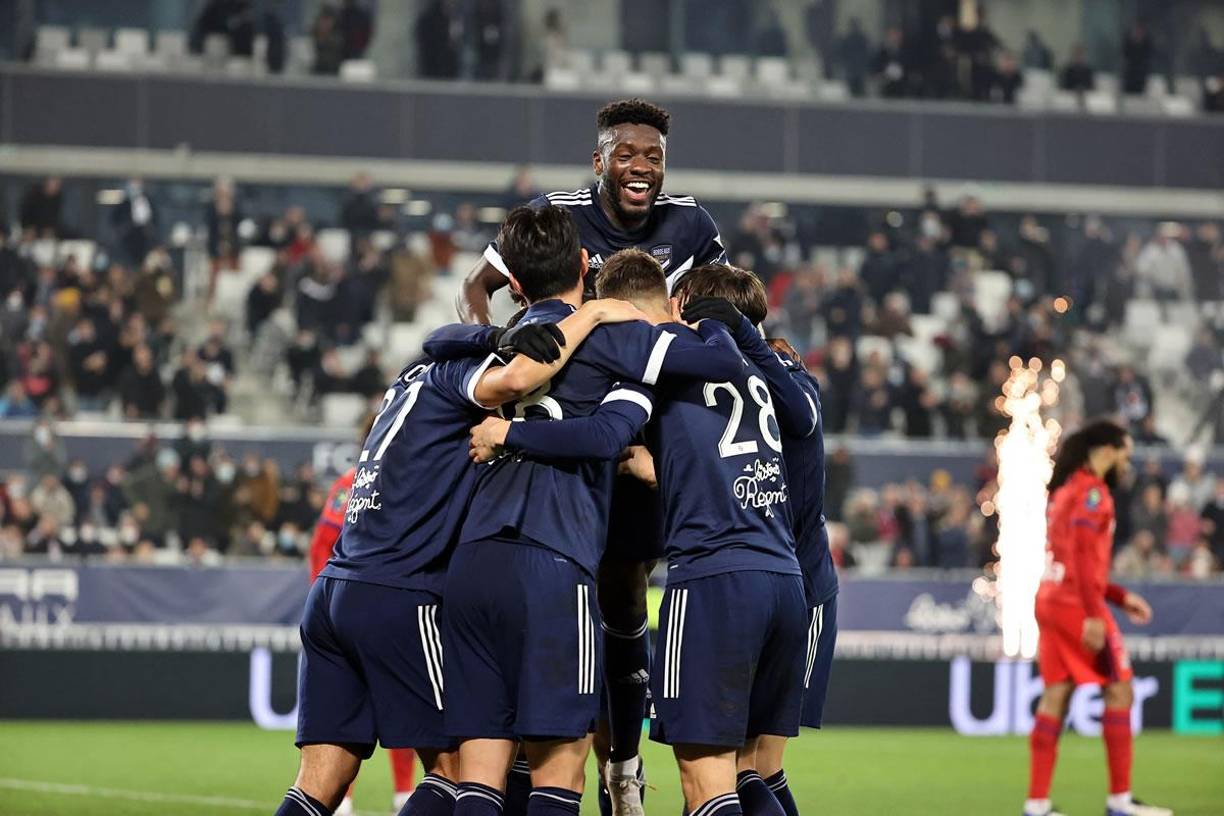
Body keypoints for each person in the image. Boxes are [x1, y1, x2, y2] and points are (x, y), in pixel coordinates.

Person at [275, 258, 649, 816]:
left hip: (335, 590)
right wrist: (591, 314)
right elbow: (518, 379)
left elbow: (442, 335)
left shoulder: (413, 376)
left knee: (317, 787)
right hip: (402, 589)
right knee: (457, 772)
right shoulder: (465, 381)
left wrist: (501, 330)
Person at [427, 212, 743, 816]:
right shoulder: (614, 340)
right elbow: (718, 367)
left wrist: (493, 339)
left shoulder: (507, 343)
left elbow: (436, 342)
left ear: (515, 285)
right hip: (552, 560)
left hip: (470, 565)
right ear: (583, 268)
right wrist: (698, 323)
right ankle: (622, 775)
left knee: (480, 777)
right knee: (559, 772)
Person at [675, 265, 833, 816]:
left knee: (739, 767)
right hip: (790, 578)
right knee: (753, 768)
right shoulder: (777, 374)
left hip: (775, 576)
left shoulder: (740, 379)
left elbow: (804, 419)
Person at [458, 98, 727, 324]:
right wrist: (487, 344)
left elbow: (729, 298)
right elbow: (474, 285)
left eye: (654, 158)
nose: (641, 167)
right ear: (598, 163)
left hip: (662, 372)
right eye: (624, 156)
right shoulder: (554, 216)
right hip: (570, 374)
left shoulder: (690, 221)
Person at [1024, 419, 1171, 816]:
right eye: (1126, 452)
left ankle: (1036, 805)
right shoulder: (1092, 494)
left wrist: (1121, 597)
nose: (1128, 461)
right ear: (1107, 450)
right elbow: (1085, 560)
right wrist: (1095, 614)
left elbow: (1073, 561)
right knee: (1120, 689)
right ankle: (1120, 801)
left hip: (1050, 598)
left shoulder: (1065, 491)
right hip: (1076, 605)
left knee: (1057, 693)